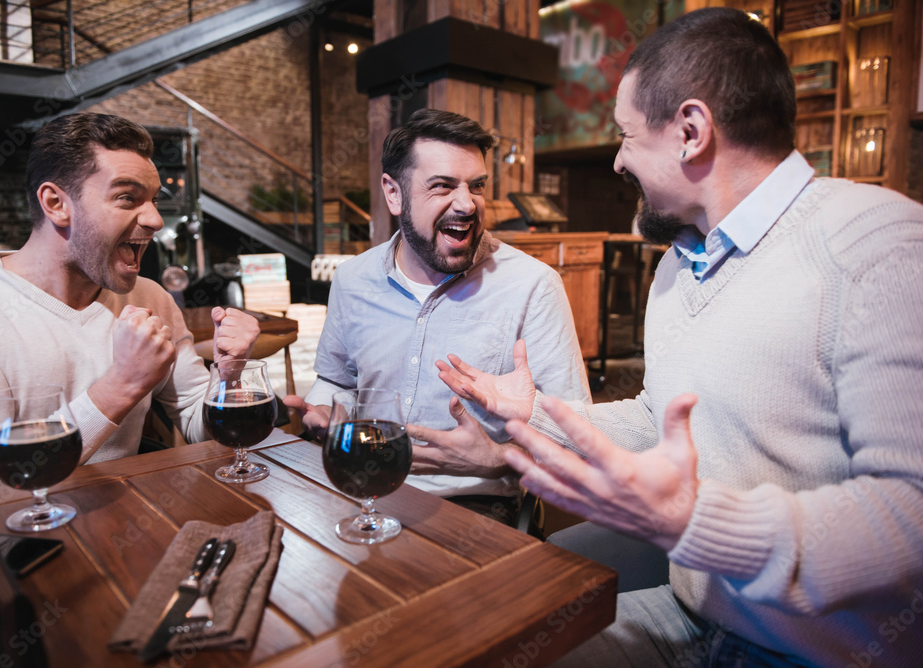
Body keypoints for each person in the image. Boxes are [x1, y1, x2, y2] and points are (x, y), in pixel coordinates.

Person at [418, 8, 923, 666]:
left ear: (691, 130)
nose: (620, 160)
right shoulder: (679, 266)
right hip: (692, 613)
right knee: (492, 648)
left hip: (819, 652)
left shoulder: (878, 245)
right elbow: (663, 417)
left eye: (627, 136)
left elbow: (910, 516)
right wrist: (536, 414)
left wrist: (691, 522)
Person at [0, 112, 260, 494]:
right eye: (127, 197)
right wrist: (122, 385)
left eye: (152, 200)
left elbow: (199, 427)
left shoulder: (150, 297)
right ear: (56, 204)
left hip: (114, 525)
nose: (153, 219)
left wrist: (227, 375)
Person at [283, 109, 590, 521]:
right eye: (442, 186)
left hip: (475, 506)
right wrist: (322, 412)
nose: (466, 204)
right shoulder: (352, 279)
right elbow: (336, 380)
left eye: (476, 186)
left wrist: (498, 459)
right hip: (360, 486)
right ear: (394, 194)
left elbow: (577, 434)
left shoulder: (533, 285)